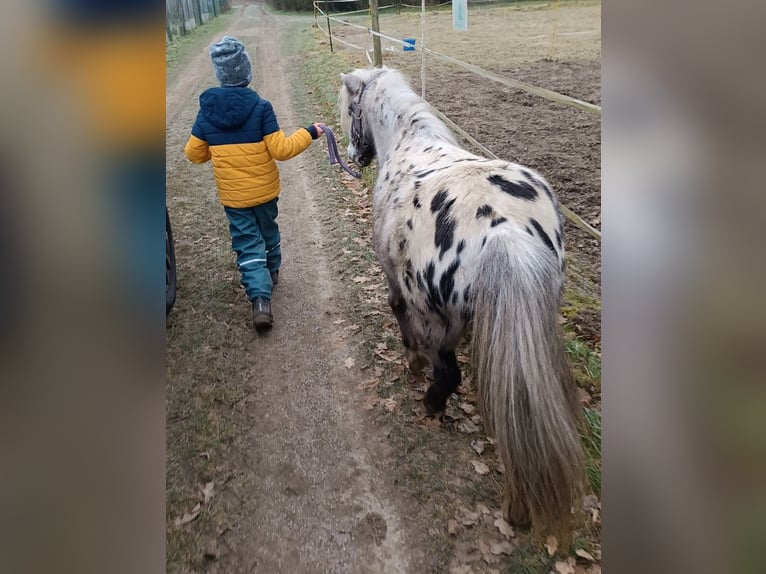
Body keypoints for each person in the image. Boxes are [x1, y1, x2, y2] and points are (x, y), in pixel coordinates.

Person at [185, 36, 324, 331]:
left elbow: (193, 154)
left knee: (247, 245)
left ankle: (260, 300)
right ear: (246, 72)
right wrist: (309, 131)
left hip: (234, 199)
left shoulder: (206, 112)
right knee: (269, 231)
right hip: (265, 193)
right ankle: (271, 272)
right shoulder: (261, 107)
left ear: (220, 74)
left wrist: (216, 144)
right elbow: (281, 150)